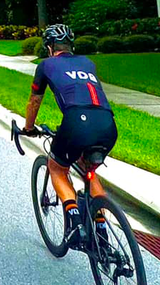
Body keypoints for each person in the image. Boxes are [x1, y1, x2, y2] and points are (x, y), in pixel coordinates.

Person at [23, 23, 118, 247]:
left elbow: (35, 100)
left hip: (77, 121)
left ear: (49, 46)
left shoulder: (46, 65)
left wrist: (29, 128)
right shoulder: (88, 63)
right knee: (90, 171)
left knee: (56, 167)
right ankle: (101, 228)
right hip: (107, 123)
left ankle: (74, 219)